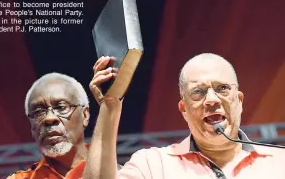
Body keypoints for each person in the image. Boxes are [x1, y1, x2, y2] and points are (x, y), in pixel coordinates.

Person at [83, 53, 285, 179]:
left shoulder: (280, 162)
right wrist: (110, 106)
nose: (212, 100)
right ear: (183, 109)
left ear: (239, 101)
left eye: (222, 88)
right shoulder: (153, 165)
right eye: (198, 92)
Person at [7, 72, 91, 179]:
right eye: (38, 112)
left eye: (61, 107)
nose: (49, 118)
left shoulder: (114, 173)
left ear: (85, 115)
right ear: (32, 127)